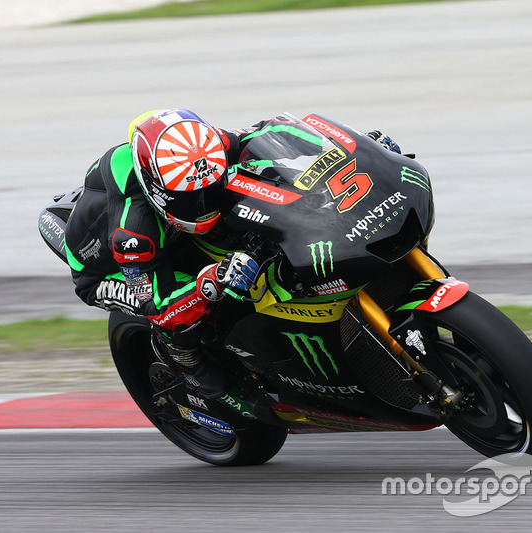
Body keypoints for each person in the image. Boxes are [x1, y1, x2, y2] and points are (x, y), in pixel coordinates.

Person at [62, 109, 402, 399]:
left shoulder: (206, 149)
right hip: (111, 272)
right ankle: (183, 355)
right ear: (158, 191)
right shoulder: (133, 232)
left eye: (211, 189)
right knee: (188, 307)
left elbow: (272, 131)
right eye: (192, 198)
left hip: (171, 229)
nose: (206, 203)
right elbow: (159, 302)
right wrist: (210, 280)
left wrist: (358, 148)